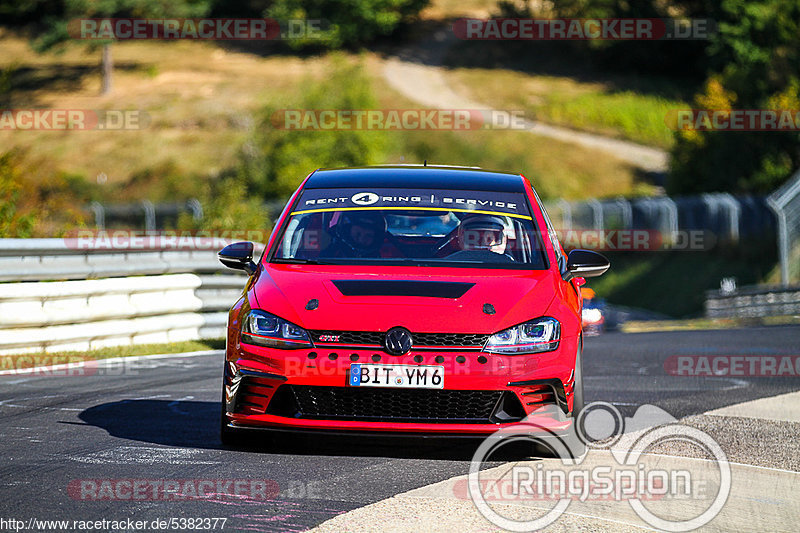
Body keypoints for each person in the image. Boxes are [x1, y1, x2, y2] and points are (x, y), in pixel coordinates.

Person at [322, 211, 402, 258]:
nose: (361, 239)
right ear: (348, 230)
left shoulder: (390, 251)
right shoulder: (328, 246)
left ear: (376, 238)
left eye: (368, 236)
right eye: (358, 234)